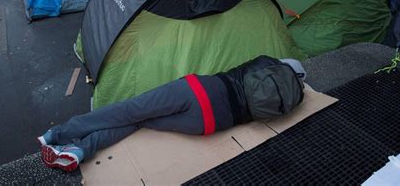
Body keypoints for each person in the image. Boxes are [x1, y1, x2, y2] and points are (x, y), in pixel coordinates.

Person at [38, 55, 306, 172]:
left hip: (199, 90)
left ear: (280, 66)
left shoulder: (264, 62)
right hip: (209, 123)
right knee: (140, 122)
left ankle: (58, 133)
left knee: (128, 111)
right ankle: (79, 151)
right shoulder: (289, 99)